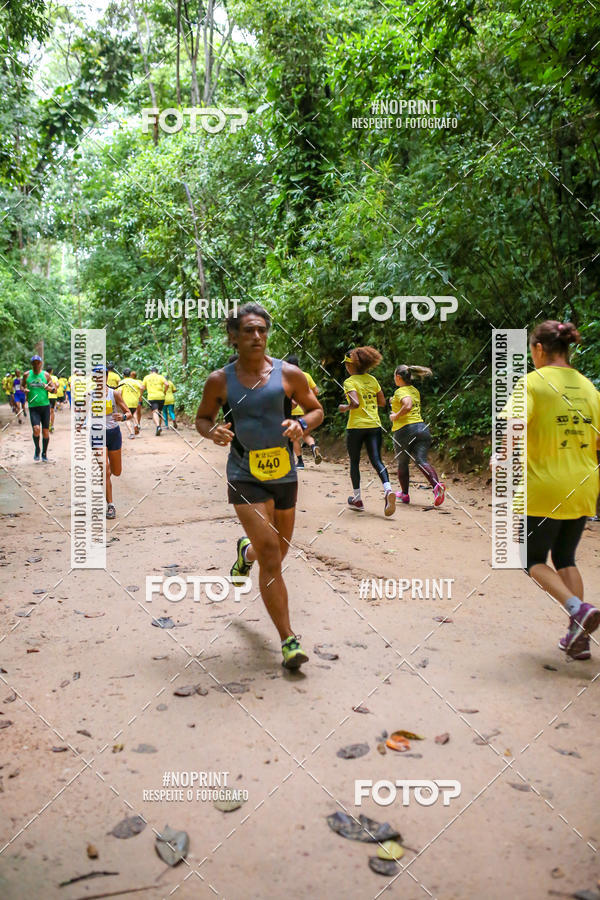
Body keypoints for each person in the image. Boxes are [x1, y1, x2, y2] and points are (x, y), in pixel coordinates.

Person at [195, 302, 323, 670]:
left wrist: (303, 424)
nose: (256, 336)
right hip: (243, 473)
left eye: (262, 330)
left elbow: (316, 409)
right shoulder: (220, 380)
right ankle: (288, 640)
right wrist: (213, 430)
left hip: (284, 475)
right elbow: (203, 418)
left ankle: (244, 554)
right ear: (233, 337)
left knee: (275, 554)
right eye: (248, 330)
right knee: (272, 554)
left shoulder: (289, 375)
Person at [501, 321, 600, 660]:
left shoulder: (533, 382)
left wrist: (502, 457)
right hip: (585, 483)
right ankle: (578, 637)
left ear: (539, 349)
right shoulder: (588, 388)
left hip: (545, 485)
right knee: (565, 557)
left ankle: (578, 608)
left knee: (530, 559)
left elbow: (515, 424)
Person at [339, 346, 396, 516]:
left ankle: (357, 499)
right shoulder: (372, 380)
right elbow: (382, 402)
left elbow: (355, 403)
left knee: (354, 462)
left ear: (351, 366)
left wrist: (345, 407)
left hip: (356, 426)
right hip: (374, 425)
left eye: (346, 365)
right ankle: (388, 489)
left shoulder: (349, 382)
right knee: (377, 460)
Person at [82, 366, 134, 519]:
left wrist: (123, 417)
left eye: (102, 375)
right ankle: (110, 505)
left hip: (113, 434)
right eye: (96, 376)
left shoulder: (114, 393)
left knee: (116, 472)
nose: (99, 379)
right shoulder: (89, 395)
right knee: (106, 468)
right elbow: (83, 413)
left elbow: (128, 413)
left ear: (106, 376)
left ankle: (105, 483)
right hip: (97, 434)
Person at [390, 365, 445, 506]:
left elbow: (407, 405)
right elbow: (407, 400)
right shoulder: (414, 390)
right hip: (422, 429)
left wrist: (395, 415)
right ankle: (437, 486)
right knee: (421, 461)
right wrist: (394, 401)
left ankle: (404, 494)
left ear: (398, 377)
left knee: (402, 463)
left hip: (405, 430)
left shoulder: (400, 391)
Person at [285, 355, 321, 467]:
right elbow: (316, 391)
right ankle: (313, 446)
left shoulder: (287, 377)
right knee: (305, 433)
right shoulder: (306, 375)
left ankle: (300, 462)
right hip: (306, 410)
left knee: (294, 436)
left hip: (293, 411)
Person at [22, 356, 54, 461]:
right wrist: (24, 390)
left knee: (45, 432)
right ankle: (37, 449)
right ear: (31, 364)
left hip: (45, 406)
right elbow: (22, 386)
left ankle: (44, 454)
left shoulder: (46, 375)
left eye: (38, 363)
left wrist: (48, 388)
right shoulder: (26, 375)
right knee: (36, 429)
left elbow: (54, 389)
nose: (36, 365)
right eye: (34, 363)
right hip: (33, 406)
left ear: (41, 363)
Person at [142, 366, 168, 436]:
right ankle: (158, 428)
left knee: (155, 412)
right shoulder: (161, 377)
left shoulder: (147, 377)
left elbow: (142, 387)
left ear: (151, 372)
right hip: (161, 397)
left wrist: (140, 395)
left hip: (152, 397)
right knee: (159, 412)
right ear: (157, 372)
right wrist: (165, 391)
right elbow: (167, 384)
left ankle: (158, 426)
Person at [118, 368, 142, 438]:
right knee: (134, 413)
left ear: (123, 375)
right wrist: (139, 395)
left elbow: (119, 392)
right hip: (134, 401)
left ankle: (131, 433)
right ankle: (136, 424)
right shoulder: (135, 381)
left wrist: (119, 401)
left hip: (126, 401)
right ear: (130, 374)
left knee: (126, 417)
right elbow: (141, 387)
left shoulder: (122, 382)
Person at [46, 367, 59, 432]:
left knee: (47, 412)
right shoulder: (54, 377)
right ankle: (52, 425)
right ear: (51, 371)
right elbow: (57, 385)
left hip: (46, 396)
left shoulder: (44, 377)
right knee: (52, 411)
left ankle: (47, 425)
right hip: (53, 396)